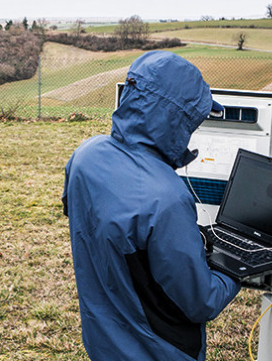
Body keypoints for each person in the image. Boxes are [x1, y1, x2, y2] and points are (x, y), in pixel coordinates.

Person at [61, 51, 241, 360]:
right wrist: (236, 269)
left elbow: (95, 220)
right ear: (174, 120)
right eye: (192, 122)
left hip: (104, 342)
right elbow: (201, 301)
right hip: (158, 351)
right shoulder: (167, 197)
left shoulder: (85, 155)